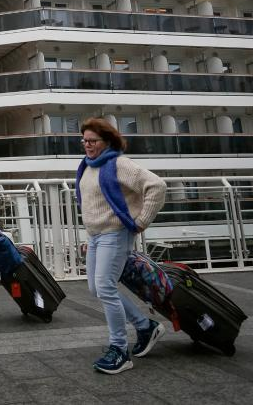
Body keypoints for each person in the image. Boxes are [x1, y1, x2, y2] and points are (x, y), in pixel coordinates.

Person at [76, 117, 167, 374]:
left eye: (92, 141)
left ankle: (119, 350)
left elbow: (157, 186)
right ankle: (145, 326)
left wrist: (142, 221)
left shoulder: (118, 163)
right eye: (84, 140)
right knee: (96, 288)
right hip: (96, 236)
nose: (87, 145)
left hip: (115, 234)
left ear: (107, 141)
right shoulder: (87, 165)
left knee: (105, 286)